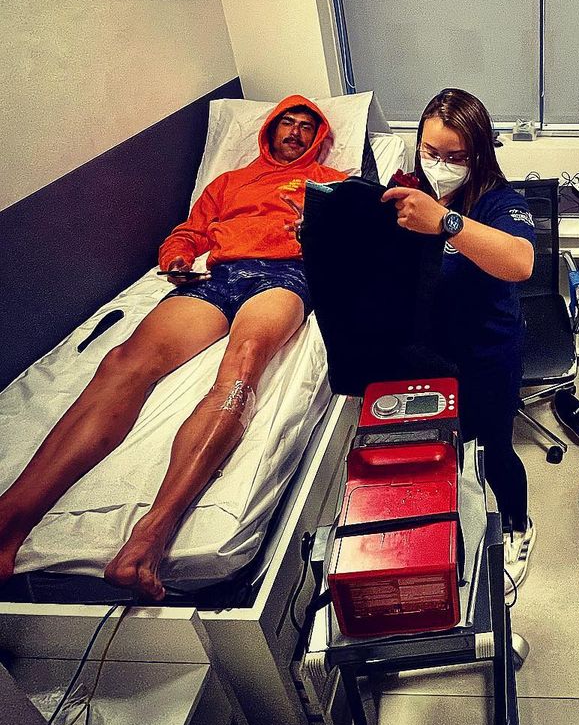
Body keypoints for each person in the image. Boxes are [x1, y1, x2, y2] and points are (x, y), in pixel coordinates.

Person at [0, 95, 347, 599]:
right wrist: (178, 257)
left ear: (318, 138)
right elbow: (190, 231)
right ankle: (13, 514)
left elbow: (351, 245)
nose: (294, 132)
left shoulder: (328, 183)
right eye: (286, 123)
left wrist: (315, 234)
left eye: (305, 127)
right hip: (217, 275)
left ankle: (153, 532)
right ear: (270, 129)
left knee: (242, 369)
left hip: (283, 276)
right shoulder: (227, 183)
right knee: (122, 363)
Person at [381, 89, 537, 597]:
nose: (440, 165)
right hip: (426, 353)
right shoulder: (405, 194)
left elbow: (520, 262)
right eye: (431, 152)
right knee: (441, 450)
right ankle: (451, 524)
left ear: (478, 154)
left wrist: (446, 223)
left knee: (494, 450)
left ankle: (516, 525)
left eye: (455, 156)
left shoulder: (498, 202)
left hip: (486, 353)